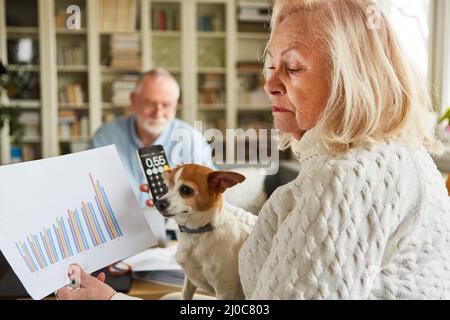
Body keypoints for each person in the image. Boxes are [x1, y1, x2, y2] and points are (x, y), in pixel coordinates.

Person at [57, 0, 450, 300]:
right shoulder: (384, 157)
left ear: (351, 80)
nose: (270, 84)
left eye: (292, 68)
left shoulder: (347, 177)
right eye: (270, 66)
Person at [90, 68, 214, 206]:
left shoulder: (191, 140)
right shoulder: (105, 136)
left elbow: (210, 195)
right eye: (150, 103)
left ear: (176, 105)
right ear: (134, 100)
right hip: (115, 222)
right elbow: (87, 187)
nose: (158, 113)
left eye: (166, 105)